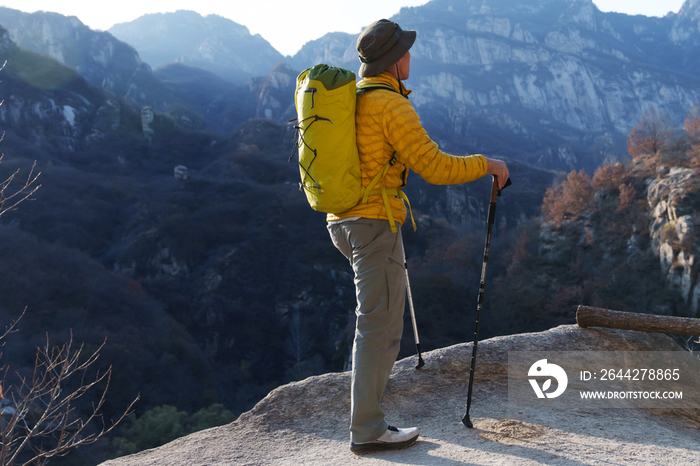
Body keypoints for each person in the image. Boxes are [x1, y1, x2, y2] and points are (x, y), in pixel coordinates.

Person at [326, 19, 509, 454]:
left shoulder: (352, 98)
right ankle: (367, 430)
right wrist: (488, 164)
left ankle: (367, 423)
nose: (411, 57)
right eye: (406, 51)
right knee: (378, 326)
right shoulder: (390, 106)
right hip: (372, 224)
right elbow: (436, 166)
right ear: (393, 60)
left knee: (377, 317)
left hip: (342, 220)